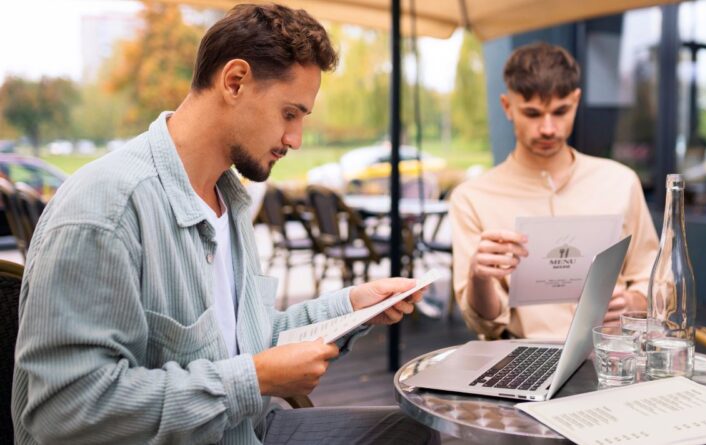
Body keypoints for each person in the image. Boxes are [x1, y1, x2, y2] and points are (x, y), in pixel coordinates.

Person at [12, 4, 438, 444]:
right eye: (289, 114)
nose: (295, 140)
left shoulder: (228, 198)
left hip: (243, 429)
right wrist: (252, 380)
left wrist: (351, 307)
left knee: (408, 432)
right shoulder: (106, 209)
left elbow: (243, 343)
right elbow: (64, 409)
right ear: (234, 81)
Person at [450, 42, 659, 341]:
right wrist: (478, 277)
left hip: (614, 355)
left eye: (561, 111)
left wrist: (632, 302)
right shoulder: (472, 197)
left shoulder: (620, 181)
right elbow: (485, 324)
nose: (548, 128)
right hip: (518, 358)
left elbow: (653, 277)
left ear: (576, 101)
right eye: (533, 114)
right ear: (508, 107)